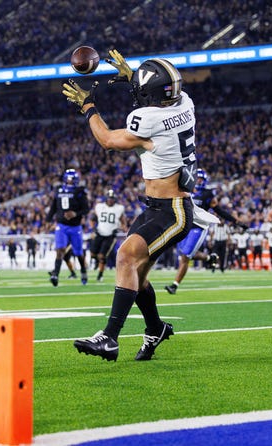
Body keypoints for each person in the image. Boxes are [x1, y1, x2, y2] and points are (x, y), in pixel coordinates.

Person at [64, 50, 196, 361]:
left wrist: (88, 105)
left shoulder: (148, 119)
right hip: (159, 206)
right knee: (137, 275)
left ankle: (109, 337)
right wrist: (131, 78)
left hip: (173, 210)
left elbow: (108, 140)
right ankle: (155, 328)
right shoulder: (185, 103)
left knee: (125, 257)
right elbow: (154, 97)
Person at [165, 169, 245, 294]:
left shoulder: (208, 194)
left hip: (198, 227)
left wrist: (236, 221)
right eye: (197, 179)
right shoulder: (184, 190)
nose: (199, 181)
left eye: (201, 179)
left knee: (185, 256)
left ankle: (174, 285)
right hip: (184, 227)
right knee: (187, 254)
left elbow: (219, 211)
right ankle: (209, 258)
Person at [45, 168, 90, 286]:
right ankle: (55, 275)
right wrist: (48, 220)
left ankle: (83, 271)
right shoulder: (58, 190)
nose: (71, 181)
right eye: (69, 179)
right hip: (62, 226)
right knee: (60, 249)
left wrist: (75, 213)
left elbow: (86, 209)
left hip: (75, 227)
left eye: (72, 179)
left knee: (78, 253)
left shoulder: (80, 191)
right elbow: (54, 207)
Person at [91, 189, 126, 282]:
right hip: (99, 233)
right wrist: (93, 229)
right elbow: (92, 218)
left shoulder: (119, 208)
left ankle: (100, 275)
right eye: (109, 198)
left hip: (110, 235)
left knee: (102, 256)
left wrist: (123, 227)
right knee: (92, 254)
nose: (110, 200)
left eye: (112, 198)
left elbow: (123, 221)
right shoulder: (99, 207)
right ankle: (96, 262)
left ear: (115, 199)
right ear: (106, 198)